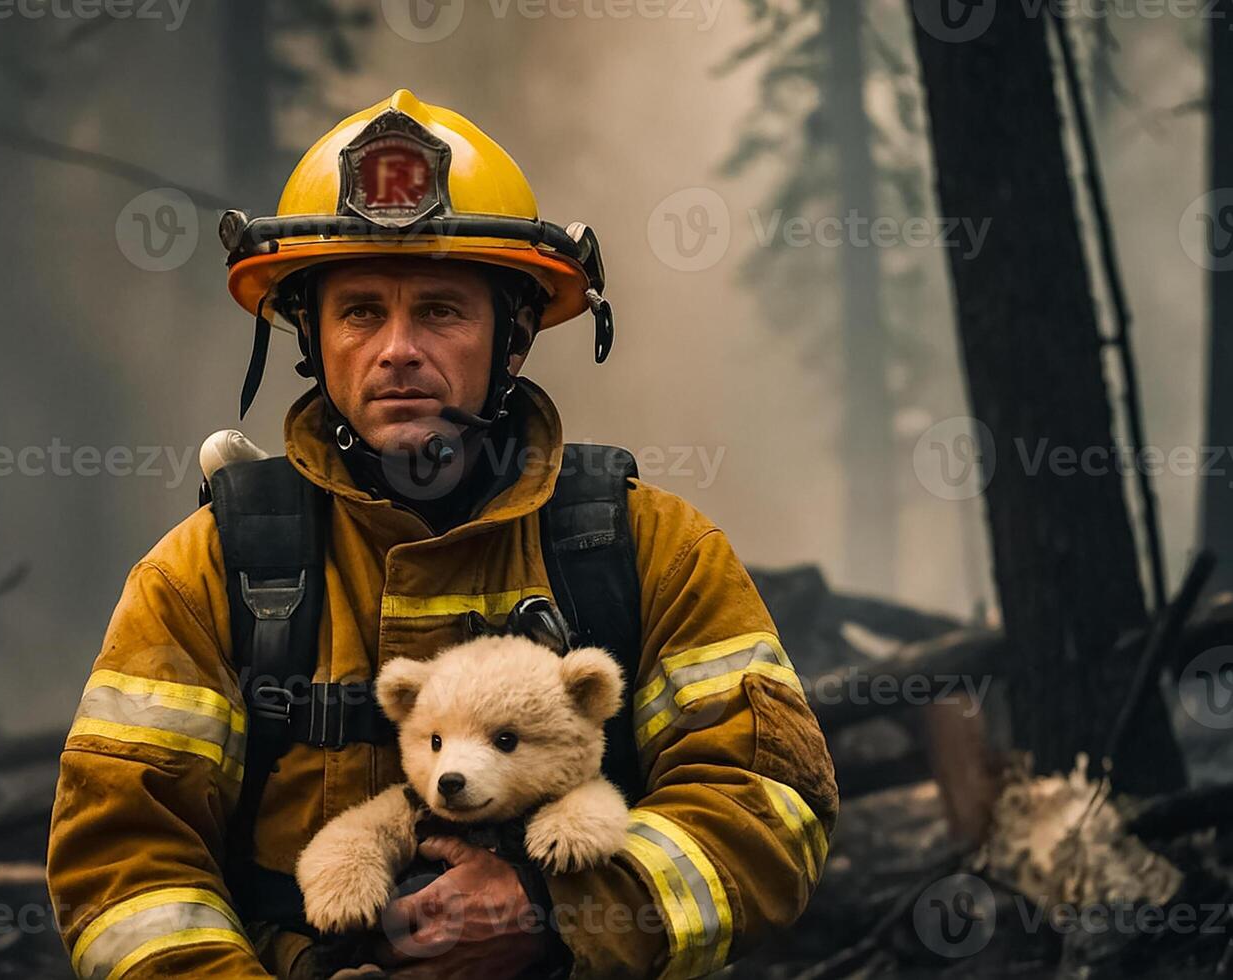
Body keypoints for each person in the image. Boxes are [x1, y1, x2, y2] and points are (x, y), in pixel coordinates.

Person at [47, 88, 838, 979]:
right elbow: (120, 862)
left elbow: (772, 801)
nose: (396, 350)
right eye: (359, 313)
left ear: (515, 337)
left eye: (440, 310)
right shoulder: (207, 570)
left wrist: (555, 914)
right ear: (309, 334)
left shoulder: (648, 549)